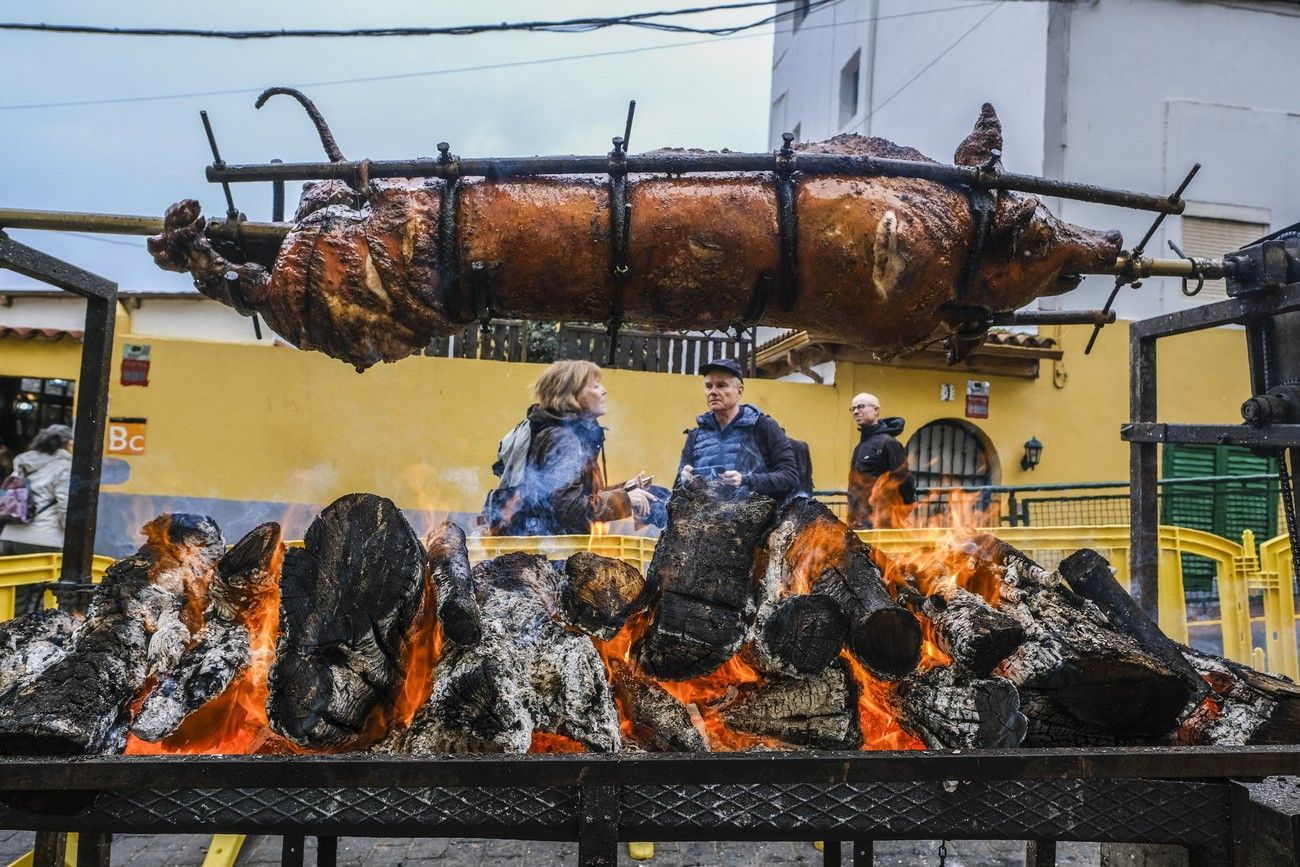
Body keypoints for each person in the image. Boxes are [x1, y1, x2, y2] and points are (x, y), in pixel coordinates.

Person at [507, 360, 655, 536]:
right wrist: (624, 499)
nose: (604, 390)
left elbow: (574, 496)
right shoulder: (563, 439)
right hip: (552, 551)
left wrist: (626, 489)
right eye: (595, 386)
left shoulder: (569, 434)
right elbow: (568, 508)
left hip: (550, 545)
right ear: (571, 395)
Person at [678, 358, 800, 502]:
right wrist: (683, 480)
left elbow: (790, 477)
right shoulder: (696, 435)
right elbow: (678, 488)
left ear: (739, 391)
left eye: (721, 385)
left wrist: (746, 480)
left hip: (756, 519)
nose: (713, 392)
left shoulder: (762, 426)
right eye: (708, 386)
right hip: (706, 521)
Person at [0, 424, 74, 614]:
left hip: (9, 537)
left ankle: (6, 637)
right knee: (39, 598)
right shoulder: (64, 466)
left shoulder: (23, 462)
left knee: (12, 595)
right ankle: (28, 640)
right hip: (44, 540)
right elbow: (64, 504)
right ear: (66, 443)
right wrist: (71, 536)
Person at [847, 393, 916, 528]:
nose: (856, 412)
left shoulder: (887, 443)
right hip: (860, 521)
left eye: (860, 407)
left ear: (876, 410)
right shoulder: (861, 446)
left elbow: (905, 482)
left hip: (880, 522)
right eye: (853, 409)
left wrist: (899, 515)